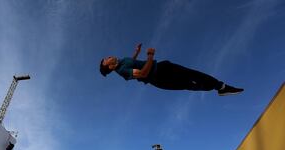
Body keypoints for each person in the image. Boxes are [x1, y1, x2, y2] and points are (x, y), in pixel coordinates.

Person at [99, 44, 244, 96]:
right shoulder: (122, 71)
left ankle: (221, 86)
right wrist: (150, 56)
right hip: (159, 77)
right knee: (190, 84)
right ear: (109, 67)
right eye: (106, 59)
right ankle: (216, 87)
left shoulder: (122, 61)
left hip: (163, 66)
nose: (108, 56)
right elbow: (142, 73)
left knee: (193, 73)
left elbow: (132, 61)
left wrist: (137, 52)